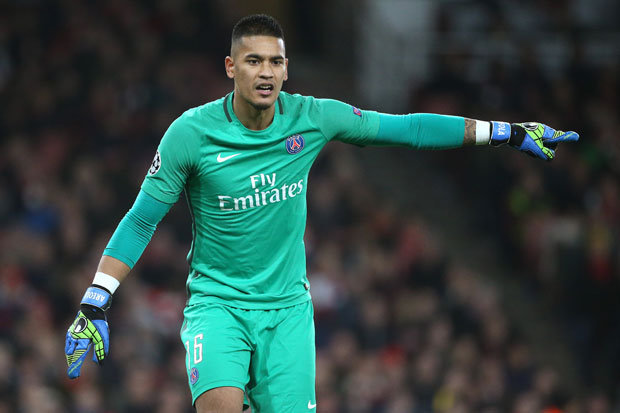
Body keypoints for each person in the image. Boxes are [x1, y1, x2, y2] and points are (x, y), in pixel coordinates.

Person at [64, 13, 579, 413]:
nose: (266, 72)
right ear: (231, 68)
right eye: (253, 61)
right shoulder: (190, 135)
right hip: (218, 305)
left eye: (275, 62)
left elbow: (407, 128)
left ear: (286, 69)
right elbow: (142, 219)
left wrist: (505, 132)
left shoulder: (312, 118)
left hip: (288, 310)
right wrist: (95, 300)